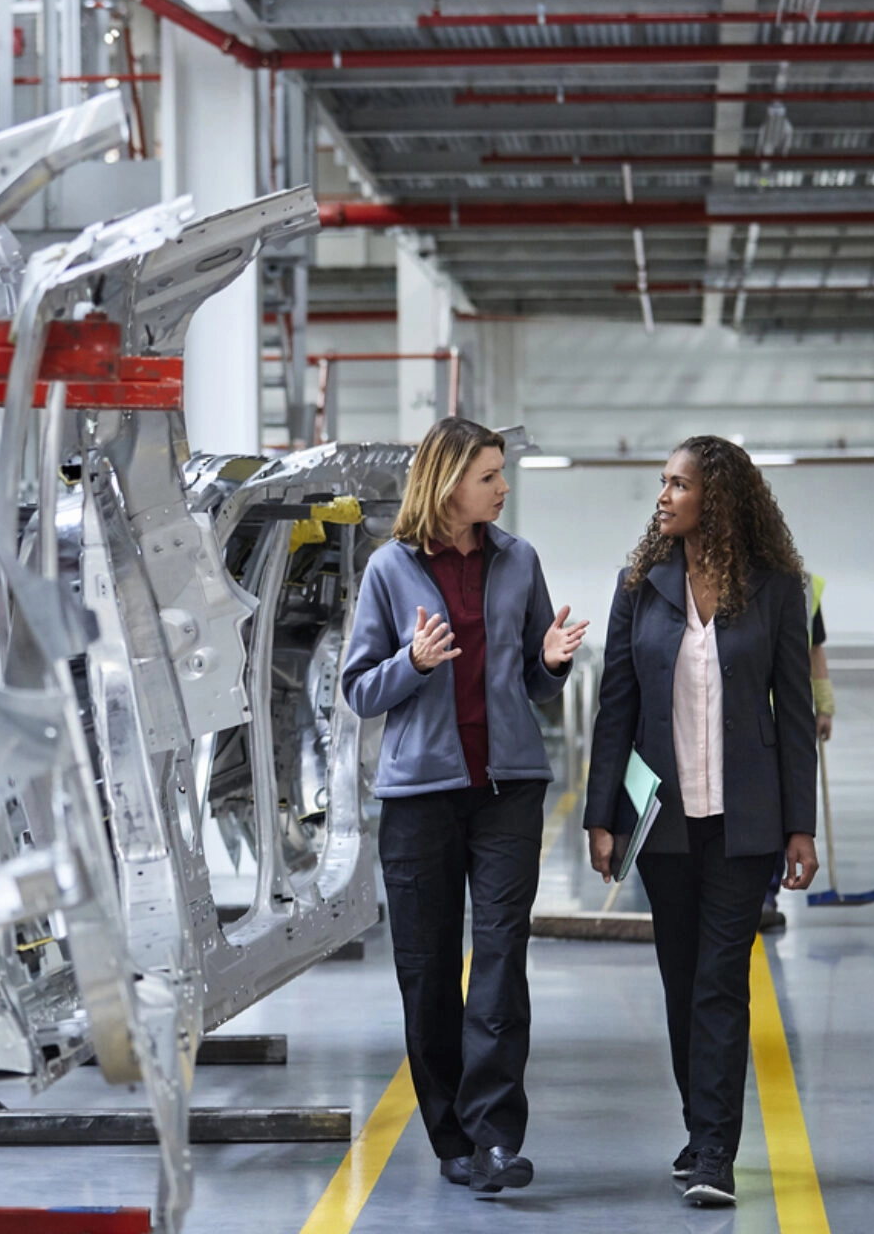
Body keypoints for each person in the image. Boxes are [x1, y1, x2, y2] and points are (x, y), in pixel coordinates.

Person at [341, 418, 588, 1195]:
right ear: (448, 484)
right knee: (428, 971)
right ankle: (451, 1137)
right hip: (420, 797)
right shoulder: (389, 569)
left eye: (501, 473)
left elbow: (536, 683)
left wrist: (550, 663)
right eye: (489, 476)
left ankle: (496, 1138)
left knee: (502, 961)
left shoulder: (519, 561)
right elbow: (358, 689)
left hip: (508, 788)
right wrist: (412, 664)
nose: (503, 487)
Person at [582, 435, 819, 1208]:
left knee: (721, 982)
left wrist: (801, 826)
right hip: (664, 823)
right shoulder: (639, 588)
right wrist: (601, 817)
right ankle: (699, 1128)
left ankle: (716, 1150)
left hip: (746, 823)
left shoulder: (777, 589)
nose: (664, 496)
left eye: (678, 484)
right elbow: (616, 707)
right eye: (663, 483)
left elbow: (794, 713)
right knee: (682, 981)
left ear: (717, 498)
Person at [760, 579, 833, 933]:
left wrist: (824, 705)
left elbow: (814, 650)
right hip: (750, 712)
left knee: (777, 807)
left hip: (787, 714)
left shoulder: (805, 586)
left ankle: (766, 894)